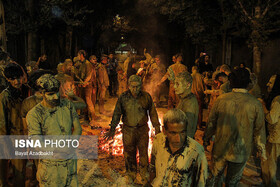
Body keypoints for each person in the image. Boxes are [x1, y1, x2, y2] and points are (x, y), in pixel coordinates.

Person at [203, 68, 267, 187]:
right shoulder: (255, 104)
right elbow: (259, 130)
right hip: (241, 152)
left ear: (231, 82)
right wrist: (261, 150)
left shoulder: (221, 99)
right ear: (248, 83)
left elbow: (211, 122)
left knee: (214, 180)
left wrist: (206, 138)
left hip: (220, 149)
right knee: (232, 182)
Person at [26, 74, 82, 187]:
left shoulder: (67, 105)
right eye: (50, 94)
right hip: (51, 167)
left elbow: (77, 127)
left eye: (56, 92)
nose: (56, 97)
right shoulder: (35, 114)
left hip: (70, 163)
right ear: (42, 93)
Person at [105, 75, 161, 185]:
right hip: (128, 130)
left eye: (137, 86)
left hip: (142, 130)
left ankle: (144, 173)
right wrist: (112, 128)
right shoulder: (123, 97)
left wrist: (157, 127)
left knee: (143, 153)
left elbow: (153, 113)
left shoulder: (146, 97)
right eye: (133, 87)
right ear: (129, 86)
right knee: (129, 153)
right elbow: (117, 113)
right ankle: (131, 174)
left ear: (141, 86)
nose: (135, 89)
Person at [150, 108, 208, 186]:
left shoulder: (196, 151)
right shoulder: (158, 141)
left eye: (182, 132)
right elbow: (152, 168)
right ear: (164, 130)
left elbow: (201, 182)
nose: (178, 139)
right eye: (173, 133)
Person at [0, 63, 26, 187]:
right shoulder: (4, 97)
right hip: (11, 137)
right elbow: (2, 122)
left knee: (21, 170)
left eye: (19, 77)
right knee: (10, 171)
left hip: (24, 136)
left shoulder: (26, 91)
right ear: (8, 79)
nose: (17, 81)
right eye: (13, 79)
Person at [259, 74, 280, 186]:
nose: (267, 84)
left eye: (271, 82)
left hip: (275, 137)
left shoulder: (277, 100)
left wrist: (263, 106)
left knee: (271, 166)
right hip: (273, 136)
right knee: (268, 163)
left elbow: (272, 118)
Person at [174, 72, 198, 138]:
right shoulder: (184, 98)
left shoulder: (190, 104)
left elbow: (189, 130)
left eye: (177, 84)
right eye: (174, 83)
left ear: (187, 85)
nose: (174, 86)